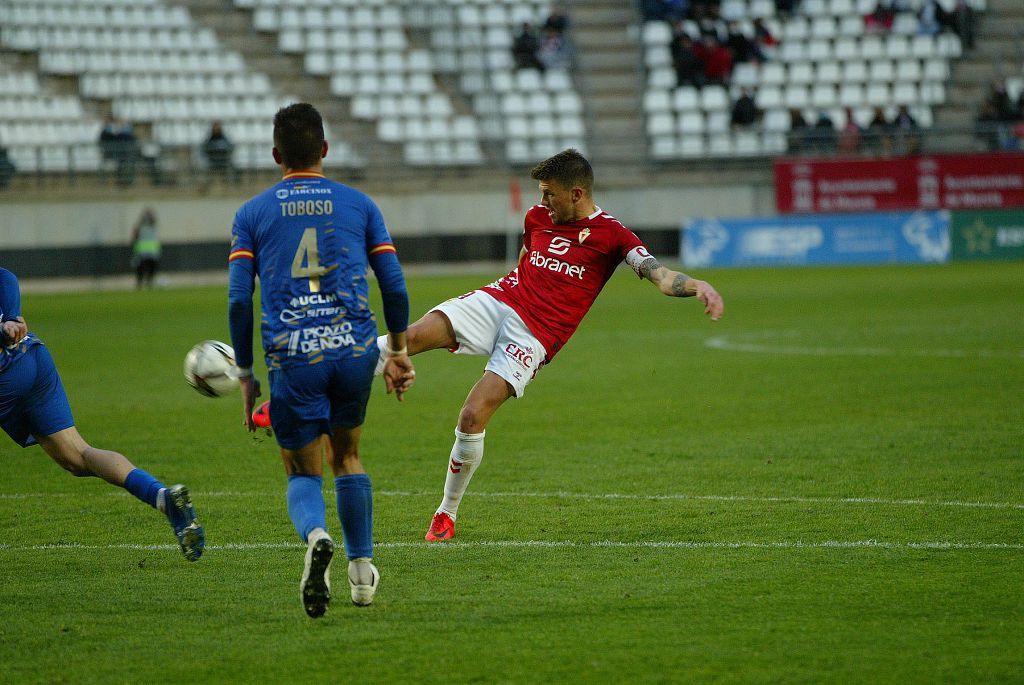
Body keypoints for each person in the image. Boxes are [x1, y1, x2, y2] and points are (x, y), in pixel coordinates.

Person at [371, 149, 724, 542]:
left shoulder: (613, 235)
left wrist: (697, 286)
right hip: (500, 299)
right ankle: (318, 367)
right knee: (410, 336)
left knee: (472, 416)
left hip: (536, 334)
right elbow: (527, 256)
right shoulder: (538, 218)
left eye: (548, 194)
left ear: (576, 194)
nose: (542, 203)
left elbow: (659, 276)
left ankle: (445, 514)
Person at [227, 103, 414, 619]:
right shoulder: (360, 205)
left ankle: (316, 536)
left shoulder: (252, 214)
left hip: (294, 355)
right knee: (348, 457)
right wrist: (396, 351)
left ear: (275, 155)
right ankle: (361, 574)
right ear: (326, 150)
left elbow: (240, 301)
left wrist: (246, 375)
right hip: (353, 349)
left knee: (301, 471)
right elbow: (394, 284)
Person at [0, 268, 204, 561]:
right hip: (32, 358)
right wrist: (8, 323)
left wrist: (7, 324)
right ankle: (161, 497)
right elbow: (5, 278)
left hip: (7, 375)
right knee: (79, 457)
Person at [130, 207, 161, 289]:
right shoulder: (140, 226)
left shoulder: (152, 225)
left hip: (151, 251)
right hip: (143, 251)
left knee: (151, 268)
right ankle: (140, 283)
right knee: (141, 268)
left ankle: (148, 282)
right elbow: (135, 236)